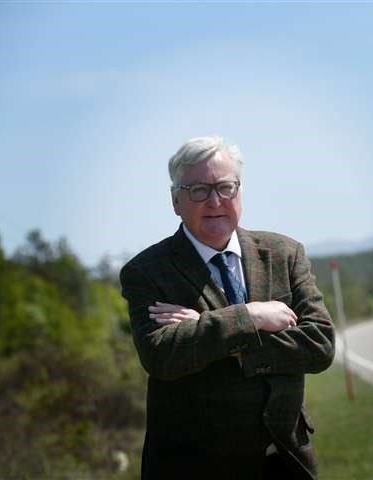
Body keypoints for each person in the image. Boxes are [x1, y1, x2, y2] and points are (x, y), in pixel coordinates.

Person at [120, 136, 335, 479]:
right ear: (176, 200)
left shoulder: (284, 254)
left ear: (240, 191)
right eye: (199, 190)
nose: (215, 201)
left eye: (225, 187)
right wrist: (250, 316)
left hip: (285, 459)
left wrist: (208, 327)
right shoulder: (146, 271)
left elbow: (320, 346)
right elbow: (162, 356)